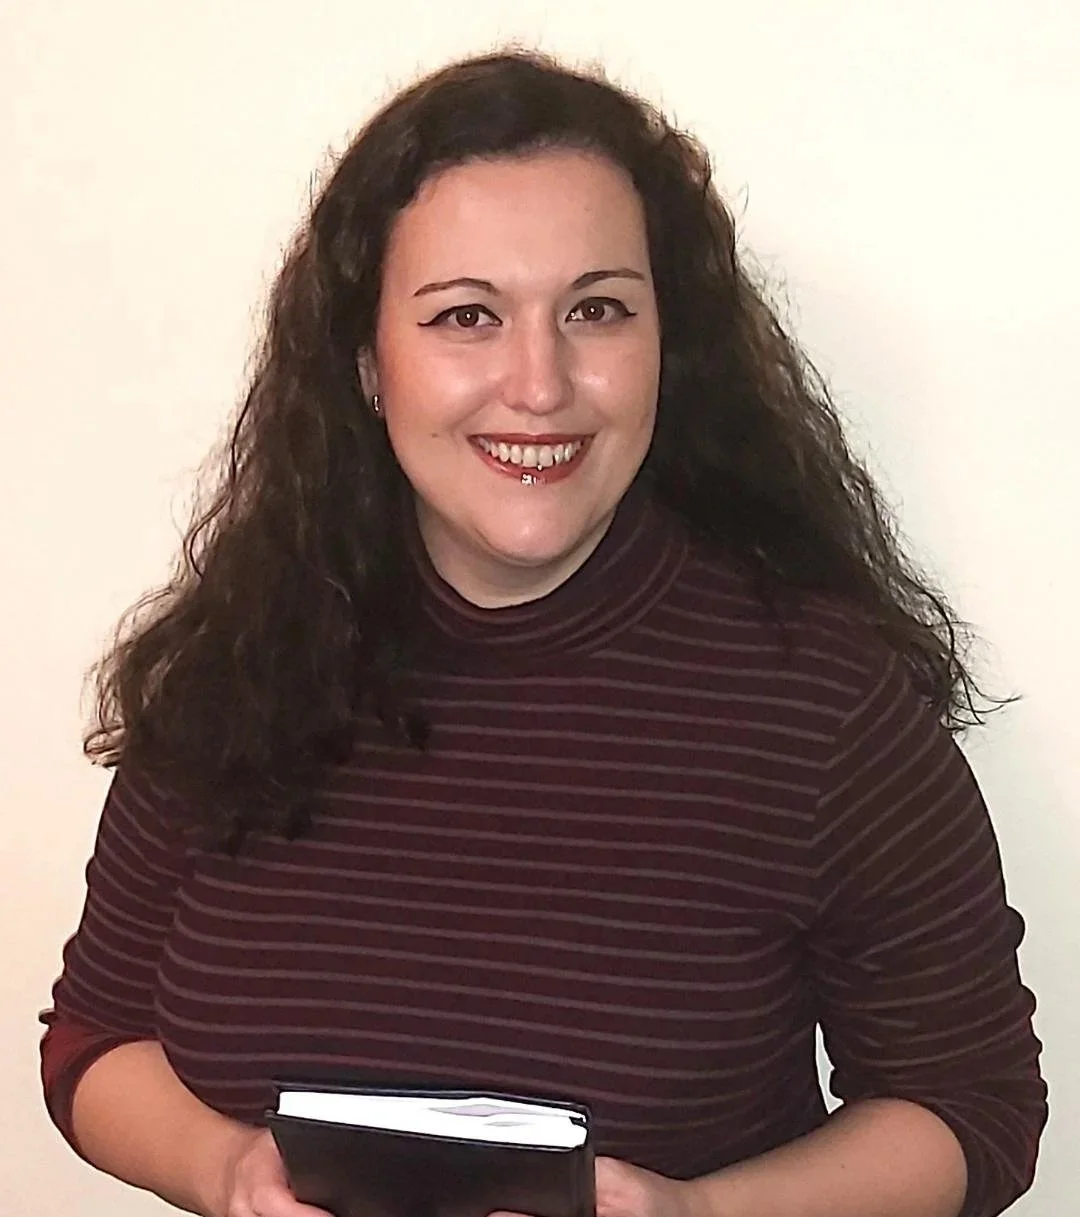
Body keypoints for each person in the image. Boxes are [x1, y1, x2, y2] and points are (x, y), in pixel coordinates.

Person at [40, 48, 1046, 1217]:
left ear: (671, 344)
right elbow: (96, 1035)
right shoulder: (240, 660)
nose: (540, 382)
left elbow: (971, 1108)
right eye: (467, 315)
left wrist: (700, 1213)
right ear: (369, 363)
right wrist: (225, 1169)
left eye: (597, 311)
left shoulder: (823, 703)